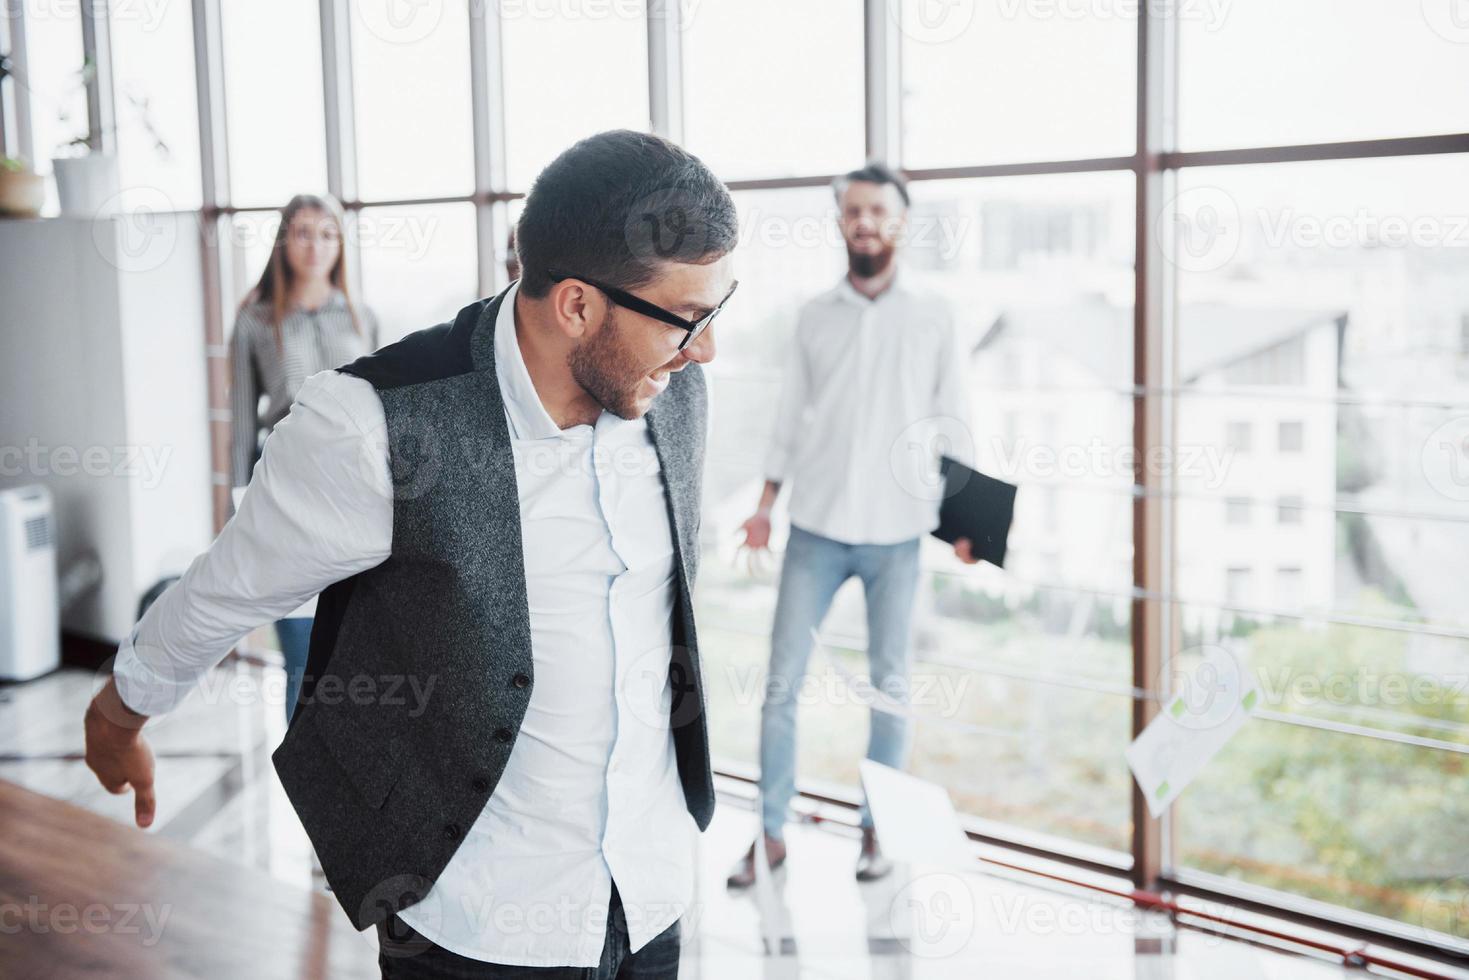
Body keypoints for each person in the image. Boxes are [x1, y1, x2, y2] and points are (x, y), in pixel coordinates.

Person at [83, 130, 738, 979]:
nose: (707, 349)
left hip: (650, 894)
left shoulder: (673, 389)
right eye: (689, 318)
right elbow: (226, 592)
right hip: (475, 917)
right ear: (576, 304)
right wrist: (120, 712)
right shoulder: (368, 426)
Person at [727, 162, 978, 889]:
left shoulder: (934, 313)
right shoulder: (813, 315)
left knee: (890, 689)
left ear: (899, 223)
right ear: (841, 222)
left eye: (878, 211)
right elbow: (789, 417)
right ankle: (769, 836)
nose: (865, 221)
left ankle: (879, 832)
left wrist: (965, 523)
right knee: (780, 687)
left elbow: (953, 418)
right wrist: (764, 504)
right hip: (816, 526)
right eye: (854, 211)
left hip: (899, 534)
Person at [228, 192, 379, 723]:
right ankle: (304, 787)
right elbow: (243, 421)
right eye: (303, 233)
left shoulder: (364, 318)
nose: (316, 246)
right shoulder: (253, 319)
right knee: (299, 655)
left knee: (357, 653)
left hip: (357, 499)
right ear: (283, 242)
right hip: (286, 501)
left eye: (328, 234)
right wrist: (238, 509)